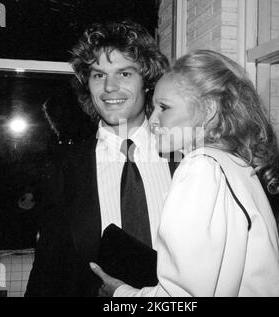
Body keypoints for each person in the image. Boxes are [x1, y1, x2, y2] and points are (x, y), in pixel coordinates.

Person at [91, 50, 279, 297]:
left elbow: (181, 300)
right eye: (154, 108)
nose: (152, 121)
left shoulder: (200, 167)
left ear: (207, 110)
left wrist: (119, 294)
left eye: (164, 107)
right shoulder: (235, 164)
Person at [25, 20, 175, 297]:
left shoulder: (185, 155)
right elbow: (47, 267)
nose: (109, 87)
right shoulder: (65, 167)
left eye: (125, 74)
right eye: (98, 75)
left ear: (147, 82)